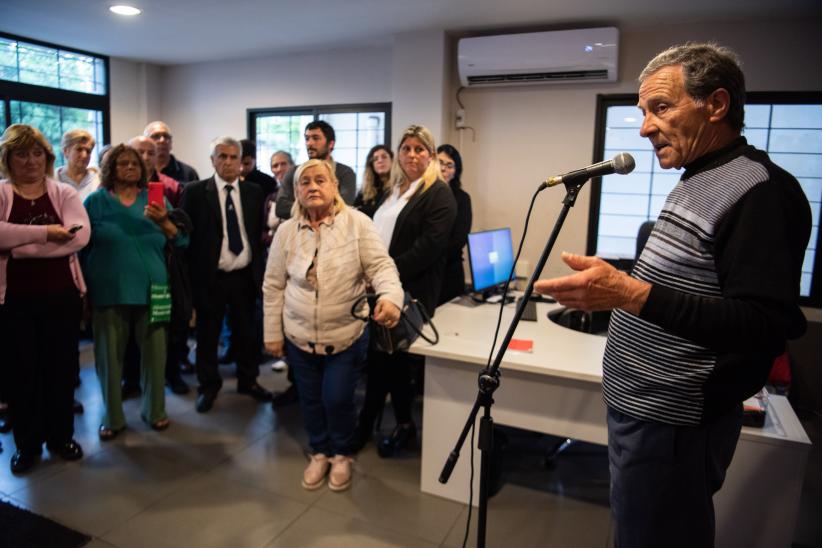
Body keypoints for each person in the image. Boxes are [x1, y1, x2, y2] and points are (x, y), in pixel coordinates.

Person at [534, 43, 811, 548]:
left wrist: (631, 294)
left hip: (674, 419)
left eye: (660, 108)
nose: (644, 128)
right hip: (641, 408)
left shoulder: (762, 192)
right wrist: (619, 276)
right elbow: (689, 278)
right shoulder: (697, 176)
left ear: (717, 104)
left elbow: (763, 323)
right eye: (643, 112)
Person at [263, 159, 403, 491]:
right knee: (309, 399)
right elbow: (273, 285)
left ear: (334, 187)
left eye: (319, 181)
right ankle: (320, 451)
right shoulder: (286, 231)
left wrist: (390, 298)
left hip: (345, 334)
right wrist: (271, 332)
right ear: (296, 190)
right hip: (298, 335)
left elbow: (382, 266)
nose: (312, 187)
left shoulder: (357, 223)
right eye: (305, 182)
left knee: (337, 398)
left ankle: (342, 453)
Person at [355, 124, 457, 457]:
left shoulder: (438, 193)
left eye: (420, 149)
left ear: (430, 155)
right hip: (381, 288)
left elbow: (428, 248)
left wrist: (382, 275)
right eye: (407, 148)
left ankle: (367, 425)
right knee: (388, 361)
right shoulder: (394, 189)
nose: (412, 155)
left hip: (408, 290)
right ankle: (402, 424)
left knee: (385, 360)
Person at [0, 124, 90, 474]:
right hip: (14, 302)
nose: (31, 160)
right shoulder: (3, 193)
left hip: (61, 297)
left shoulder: (63, 193)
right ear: (8, 159)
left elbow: (79, 237)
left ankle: (60, 437)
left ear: (48, 158)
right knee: (22, 375)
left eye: (37, 153)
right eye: (21, 153)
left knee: (61, 371)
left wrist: (18, 248)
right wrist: (47, 234)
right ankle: (27, 445)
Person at [83, 144, 188, 440]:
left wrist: (163, 221)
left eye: (135, 163)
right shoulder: (96, 202)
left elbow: (181, 242)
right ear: (110, 169)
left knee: (156, 356)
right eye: (122, 163)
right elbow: (81, 247)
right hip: (108, 290)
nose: (130, 167)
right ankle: (112, 418)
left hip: (154, 289)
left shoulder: (156, 199)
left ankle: (155, 411)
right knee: (108, 359)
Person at [181, 136, 272, 413]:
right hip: (212, 277)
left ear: (241, 162)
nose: (229, 162)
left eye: (234, 157)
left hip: (244, 276)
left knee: (247, 333)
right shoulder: (195, 192)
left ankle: (249, 380)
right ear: (212, 161)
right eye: (222, 156)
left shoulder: (254, 192)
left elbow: (257, 234)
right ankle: (208, 386)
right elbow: (186, 236)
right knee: (208, 336)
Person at [274, 121, 356, 220]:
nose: (309, 143)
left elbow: (344, 206)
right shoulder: (294, 172)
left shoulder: (345, 172)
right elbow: (281, 208)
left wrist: (304, 206)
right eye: (307, 139)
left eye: (316, 138)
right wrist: (317, 208)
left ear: (331, 144)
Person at [436, 144, 472, 304]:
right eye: (440, 162)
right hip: (423, 274)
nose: (444, 168)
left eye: (449, 165)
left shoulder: (462, 198)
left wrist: (428, 254)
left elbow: (459, 239)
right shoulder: (421, 195)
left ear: (456, 170)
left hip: (449, 273)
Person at [56, 129, 100, 202]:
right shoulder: (53, 180)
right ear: (65, 151)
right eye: (79, 149)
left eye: (88, 151)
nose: (84, 155)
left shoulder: (98, 181)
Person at [353, 144, 393, 218]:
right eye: (375, 159)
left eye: (384, 157)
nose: (380, 161)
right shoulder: (365, 191)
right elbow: (353, 211)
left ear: (392, 161)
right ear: (372, 165)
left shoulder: (399, 187)